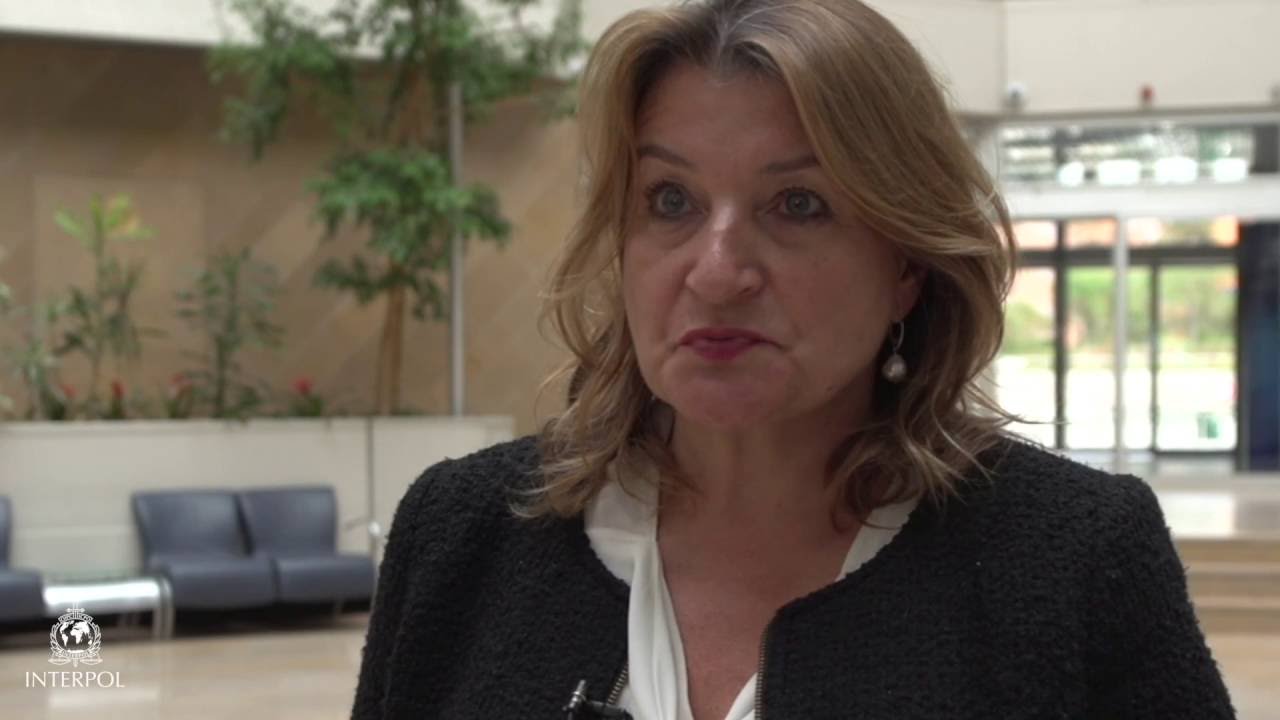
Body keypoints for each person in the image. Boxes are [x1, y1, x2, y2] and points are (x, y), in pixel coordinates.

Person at [352, 1, 1235, 718]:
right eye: (670, 200)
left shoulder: (1072, 561)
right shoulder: (464, 535)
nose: (717, 272)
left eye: (798, 205)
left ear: (906, 265)